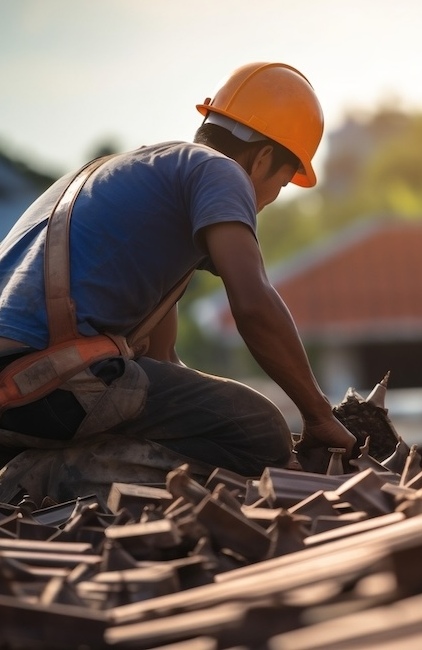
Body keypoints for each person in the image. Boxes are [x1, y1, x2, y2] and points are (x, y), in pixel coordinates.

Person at [0, 62, 356, 503]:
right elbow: (253, 303)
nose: (266, 202)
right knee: (259, 428)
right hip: (42, 384)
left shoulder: (139, 175)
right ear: (262, 158)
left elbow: (163, 360)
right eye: (280, 184)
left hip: (21, 386)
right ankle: (55, 478)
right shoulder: (221, 172)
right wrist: (317, 415)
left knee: (224, 418)